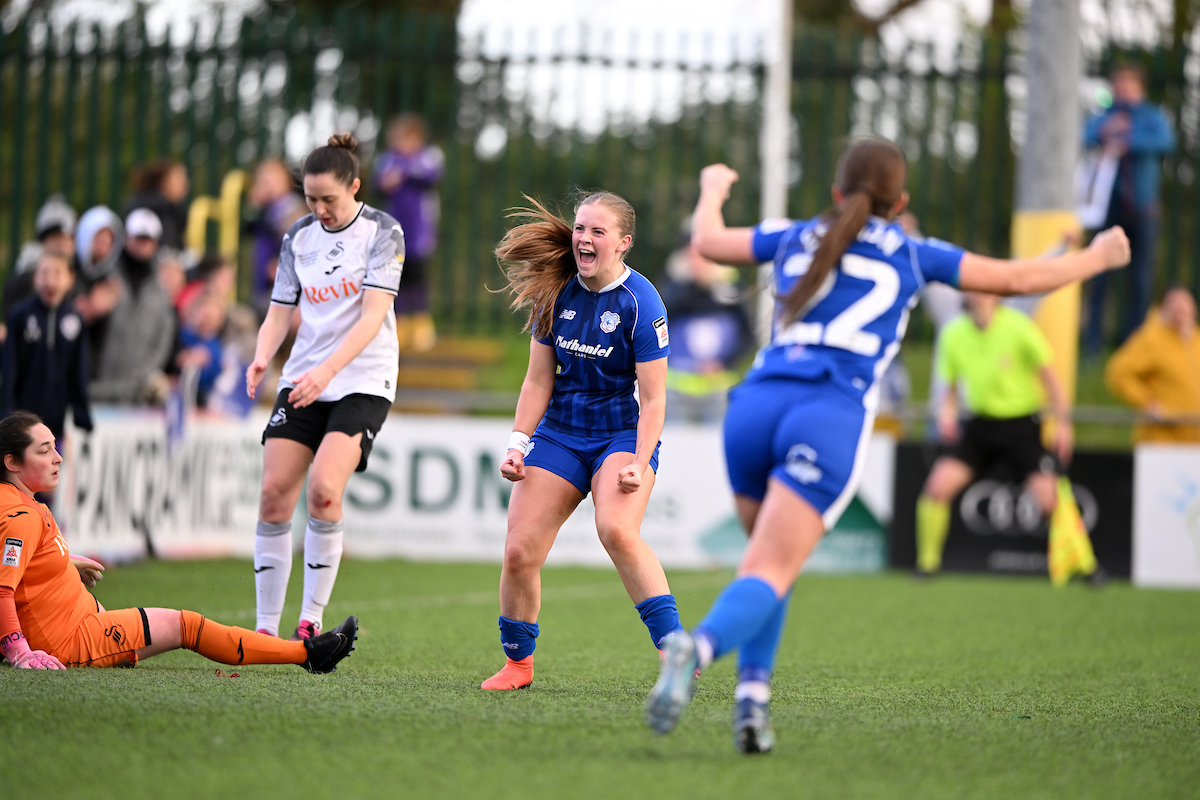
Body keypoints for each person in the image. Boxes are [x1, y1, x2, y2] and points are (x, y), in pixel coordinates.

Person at [644, 139, 1131, 753]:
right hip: (824, 414)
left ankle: (752, 705)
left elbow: (709, 243)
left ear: (836, 194)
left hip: (753, 407)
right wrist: (1098, 256)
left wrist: (713, 187)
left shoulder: (795, 234)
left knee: (767, 565)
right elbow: (1018, 278)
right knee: (771, 566)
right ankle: (699, 648)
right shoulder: (912, 249)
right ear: (900, 201)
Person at [481, 191, 680, 691]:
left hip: (619, 435)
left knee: (616, 529)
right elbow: (537, 382)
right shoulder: (556, 291)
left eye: (597, 231)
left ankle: (677, 651)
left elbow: (654, 400)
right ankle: (518, 665)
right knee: (519, 551)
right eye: (579, 228)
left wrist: (638, 460)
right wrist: (517, 442)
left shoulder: (642, 302)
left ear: (623, 243)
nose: (583, 239)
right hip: (561, 434)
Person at [0, 411, 357, 672]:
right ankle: (309, 654)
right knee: (187, 625)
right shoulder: (23, 517)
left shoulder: (16, 502)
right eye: (44, 450)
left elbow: (19, 562)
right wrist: (19, 651)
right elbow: (3, 588)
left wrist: (62, 561)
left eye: (54, 447)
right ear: (12, 462)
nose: (58, 457)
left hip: (81, 619)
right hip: (72, 640)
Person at [245, 133, 403, 642]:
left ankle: (309, 618)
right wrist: (262, 355)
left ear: (354, 186)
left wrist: (326, 373)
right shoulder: (297, 236)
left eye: (328, 200)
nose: (319, 210)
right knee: (272, 495)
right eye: (310, 199)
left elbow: (370, 317)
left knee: (324, 491)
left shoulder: (383, 231)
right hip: (305, 376)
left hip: (361, 378)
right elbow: (279, 310)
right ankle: (265, 630)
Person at [913, 291, 1074, 577]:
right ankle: (927, 566)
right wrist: (947, 416)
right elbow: (948, 388)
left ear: (996, 296)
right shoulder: (953, 332)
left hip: (1021, 425)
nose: (977, 291)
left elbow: (1050, 377)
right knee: (936, 489)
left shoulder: (1019, 326)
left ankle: (1081, 565)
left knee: (1051, 501)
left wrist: (1063, 423)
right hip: (979, 426)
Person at [1083, 63, 1175, 355]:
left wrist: (1127, 141)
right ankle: (1092, 346)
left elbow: (1165, 142)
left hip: (1143, 209)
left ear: (1140, 87)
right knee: (1099, 277)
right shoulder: (1105, 116)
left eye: (1129, 84)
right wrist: (1106, 132)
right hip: (1108, 209)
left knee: (1140, 280)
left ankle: (1133, 347)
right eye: (1119, 84)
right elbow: (1086, 136)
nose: (1123, 90)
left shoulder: (1151, 116)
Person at [1, 249, 93, 447]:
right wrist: (7, 411)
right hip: (22, 425)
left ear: (70, 279)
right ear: (35, 278)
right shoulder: (20, 316)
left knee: (50, 472)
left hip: (56, 424)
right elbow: (10, 367)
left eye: (57, 273)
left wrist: (82, 414)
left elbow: (78, 371)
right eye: (44, 273)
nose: (50, 280)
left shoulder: (75, 320)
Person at [660, 234, 753, 424]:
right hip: (676, 390)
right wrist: (691, 285)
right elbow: (657, 326)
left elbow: (747, 335)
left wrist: (724, 363)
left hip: (719, 389)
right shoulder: (673, 285)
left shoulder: (730, 287)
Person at [89, 209, 176, 406]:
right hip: (99, 388)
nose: (142, 245)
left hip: (138, 394)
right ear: (126, 238)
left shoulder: (161, 290)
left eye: (148, 239)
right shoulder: (104, 277)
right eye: (138, 237)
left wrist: (145, 376)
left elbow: (163, 338)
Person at [373, 114, 444, 353]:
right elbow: (379, 185)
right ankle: (399, 321)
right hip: (395, 227)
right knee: (396, 274)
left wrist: (404, 174)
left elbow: (431, 177)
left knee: (418, 275)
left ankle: (422, 323)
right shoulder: (387, 160)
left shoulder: (428, 157)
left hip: (420, 229)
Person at [1105, 286, 1200, 444]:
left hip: (1195, 440)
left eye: (1185, 304)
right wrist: (1147, 402)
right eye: (1175, 304)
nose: (1180, 309)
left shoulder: (1196, 341)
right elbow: (1118, 373)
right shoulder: (1152, 339)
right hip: (1163, 438)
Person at [246, 159, 308, 318]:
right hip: (263, 284)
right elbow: (247, 228)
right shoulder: (265, 210)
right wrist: (253, 205)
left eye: (271, 180)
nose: (266, 186)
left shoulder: (289, 207)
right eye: (262, 181)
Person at [123, 159, 190, 251]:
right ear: (164, 182)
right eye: (179, 179)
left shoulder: (177, 211)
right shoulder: (156, 209)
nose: (185, 184)